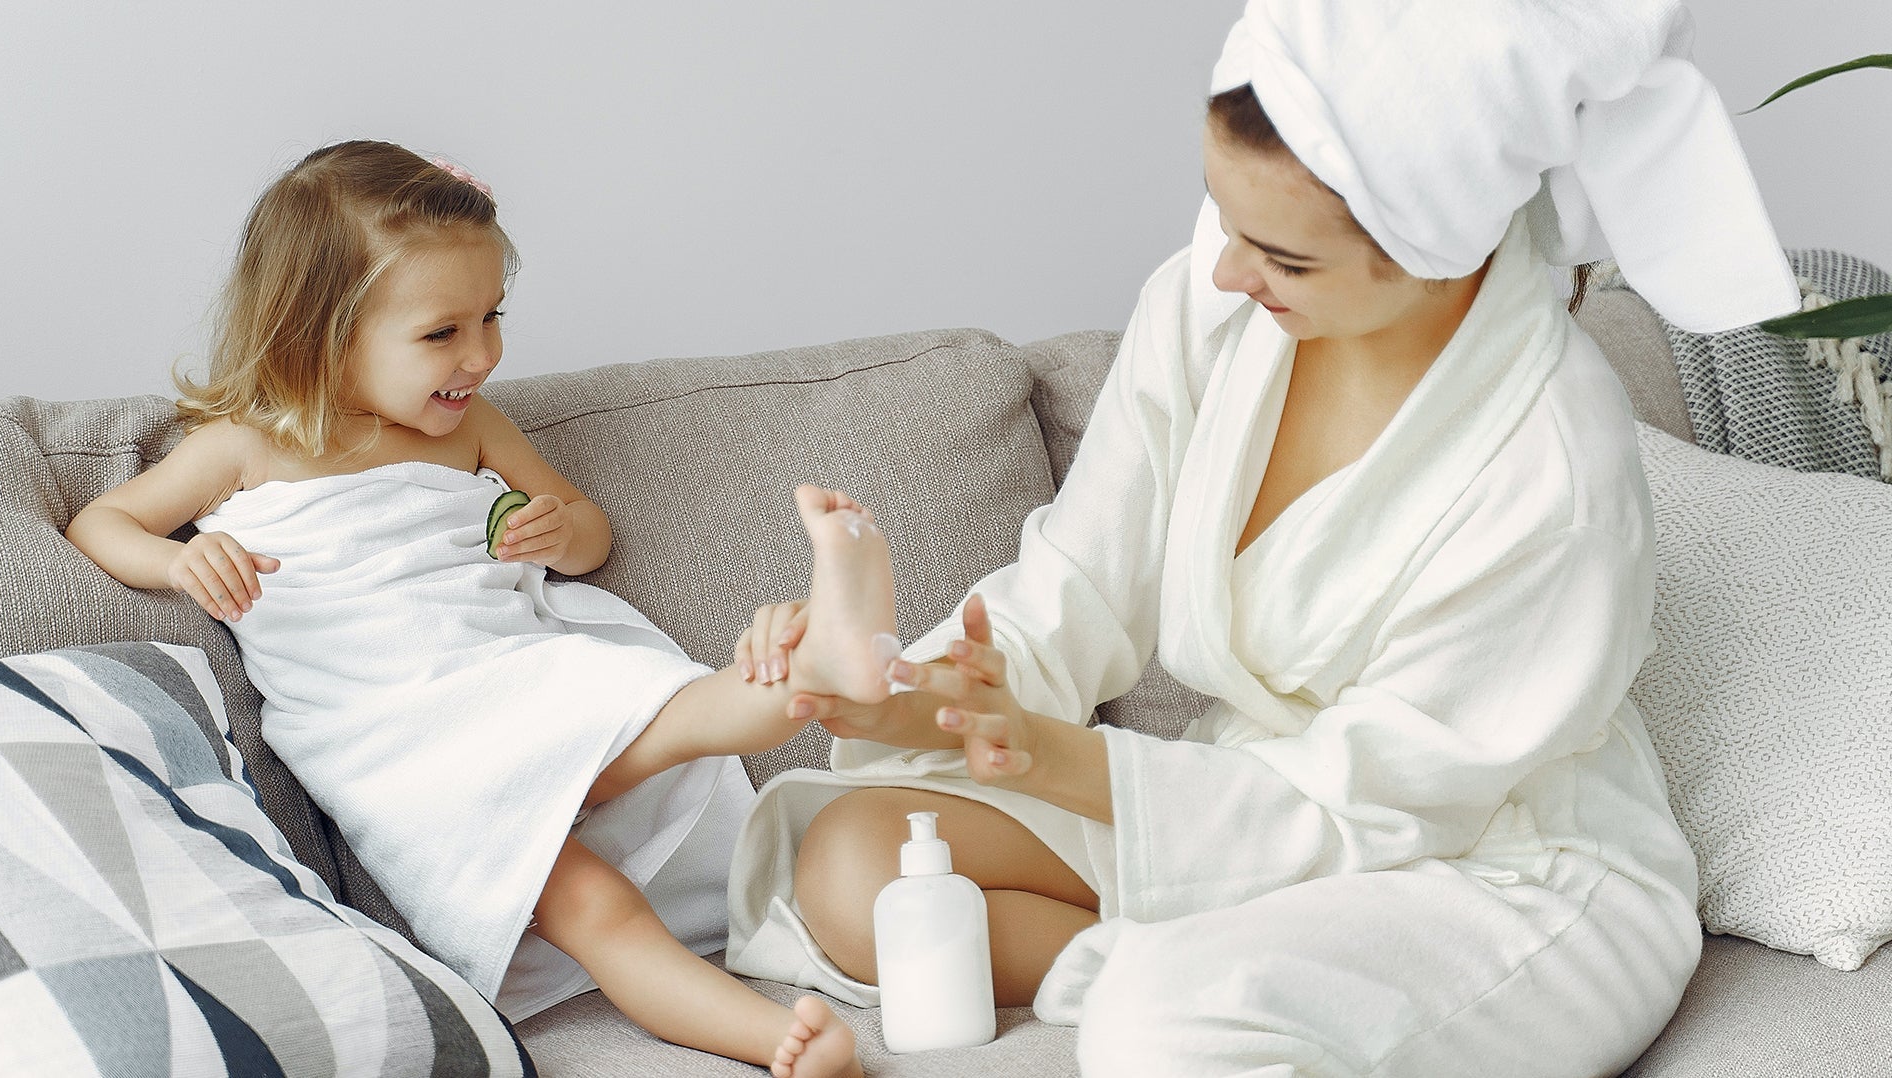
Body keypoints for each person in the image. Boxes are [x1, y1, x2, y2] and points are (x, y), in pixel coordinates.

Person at [725, 2, 1801, 1074]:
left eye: (1283, 256)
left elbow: (1370, 804)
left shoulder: (1552, 469)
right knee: (854, 859)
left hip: (1490, 868)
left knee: (1161, 1028)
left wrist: (1059, 759)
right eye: (1223, 216)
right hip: (1253, 799)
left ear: (1436, 249)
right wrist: (904, 693)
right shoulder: (1213, 299)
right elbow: (1081, 582)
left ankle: (1186, 979)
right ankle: (1217, 964)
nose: (1231, 272)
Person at [64, 139, 899, 1078]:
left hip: (503, 673)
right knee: (593, 912)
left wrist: (556, 533)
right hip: (397, 736)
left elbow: (588, 530)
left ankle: (813, 678)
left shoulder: (473, 432)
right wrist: (183, 564)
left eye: (492, 317)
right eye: (441, 333)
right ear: (319, 333)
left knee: (638, 709)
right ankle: (776, 1041)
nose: (483, 356)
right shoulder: (247, 447)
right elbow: (105, 522)